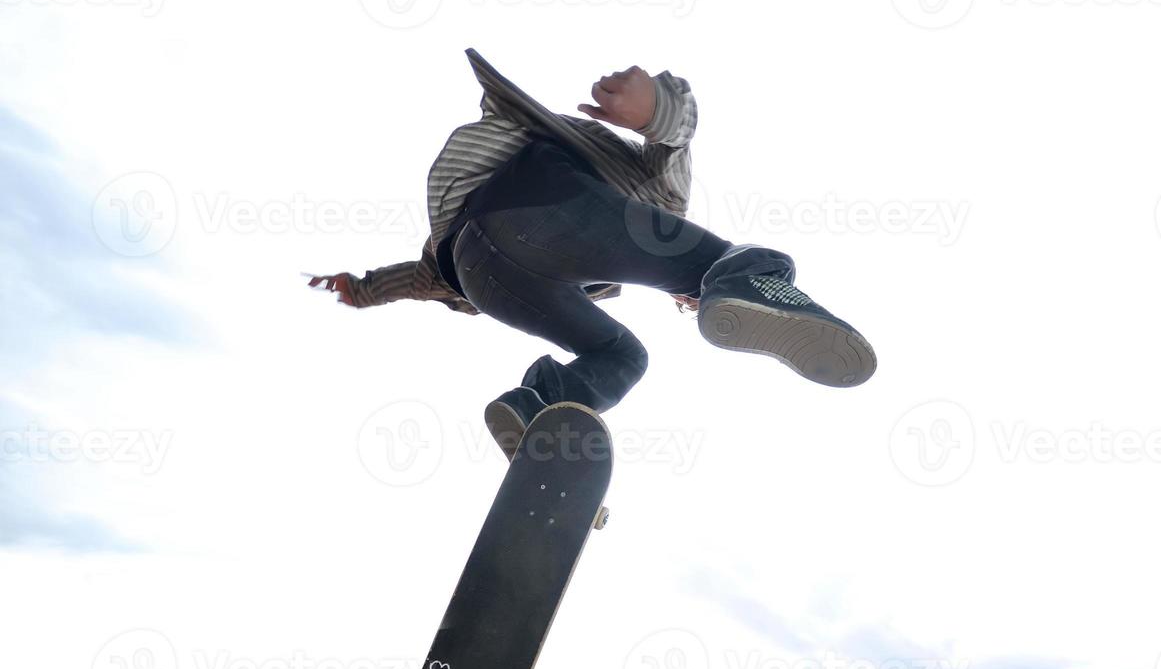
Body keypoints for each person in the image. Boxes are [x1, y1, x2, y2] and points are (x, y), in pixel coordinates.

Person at [309, 49, 876, 459]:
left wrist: (360, 290)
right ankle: (753, 282)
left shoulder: (600, 264)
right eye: (688, 297)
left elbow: (420, 279)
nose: (680, 296)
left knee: (623, 355)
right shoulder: (657, 211)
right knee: (736, 258)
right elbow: (672, 148)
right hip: (533, 199)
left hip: (479, 272)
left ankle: (538, 409)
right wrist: (657, 108)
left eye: (687, 299)